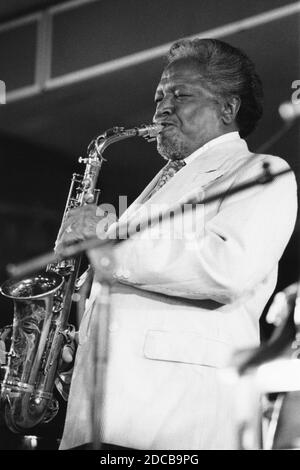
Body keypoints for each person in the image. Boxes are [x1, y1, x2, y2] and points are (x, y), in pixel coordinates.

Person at [56, 38, 297, 450]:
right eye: (159, 97)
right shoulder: (163, 183)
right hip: (100, 422)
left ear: (228, 108)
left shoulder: (261, 170)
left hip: (178, 423)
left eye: (180, 94)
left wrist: (107, 244)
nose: (161, 108)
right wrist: (68, 336)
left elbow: (226, 266)